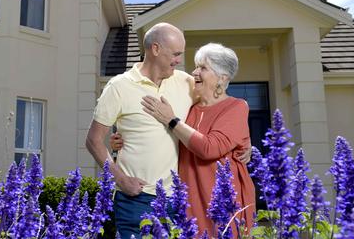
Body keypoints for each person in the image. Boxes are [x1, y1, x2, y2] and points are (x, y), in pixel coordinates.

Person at [132, 43, 256, 236]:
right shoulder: (189, 108)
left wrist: (170, 120)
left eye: (203, 68)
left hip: (223, 204)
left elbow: (209, 148)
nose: (195, 72)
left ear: (222, 78)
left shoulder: (236, 107)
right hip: (189, 201)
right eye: (196, 66)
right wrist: (122, 140)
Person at [85, 23, 195, 239]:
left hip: (175, 199)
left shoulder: (186, 82)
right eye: (175, 54)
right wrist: (122, 180)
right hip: (135, 199)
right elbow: (93, 140)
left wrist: (242, 141)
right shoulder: (119, 87)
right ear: (155, 49)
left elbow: (219, 101)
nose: (179, 60)